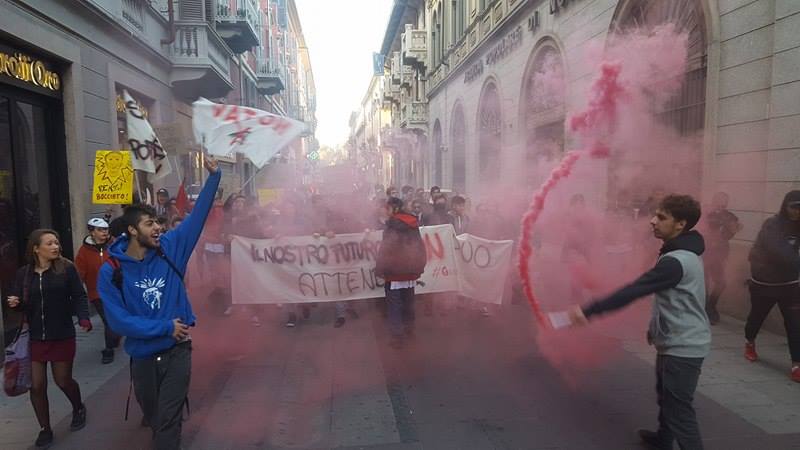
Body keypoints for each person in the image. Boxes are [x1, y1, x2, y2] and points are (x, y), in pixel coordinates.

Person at [97, 156, 220, 450]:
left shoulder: (171, 249)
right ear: (131, 230)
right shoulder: (111, 270)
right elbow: (118, 321)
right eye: (149, 223)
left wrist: (213, 178)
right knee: (154, 417)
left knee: (168, 422)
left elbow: (198, 217)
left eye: (158, 223)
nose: (157, 228)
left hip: (177, 353)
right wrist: (164, 326)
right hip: (142, 358)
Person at [568, 194, 709, 450]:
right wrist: (655, 328)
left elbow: (635, 290)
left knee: (679, 410)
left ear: (681, 224)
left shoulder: (676, 261)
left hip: (685, 346)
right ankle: (663, 439)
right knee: (666, 397)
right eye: (655, 215)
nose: (652, 221)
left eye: (661, 217)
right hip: (675, 340)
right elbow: (673, 299)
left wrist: (589, 311)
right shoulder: (680, 253)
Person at [7, 229, 92, 448]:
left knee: (63, 380)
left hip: (62, 333)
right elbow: (23, 305)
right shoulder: (24, 274)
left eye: (57, 243)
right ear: (36, 248)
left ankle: (78, 407)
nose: (55, 247)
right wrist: (16, 303)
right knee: (36, 386)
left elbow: (80, 295)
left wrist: (83, 317)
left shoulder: (67, 268)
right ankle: (45, 428)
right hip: (36, 337)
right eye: (50, 243)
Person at [743, 190, 800, 383]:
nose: (797, 211)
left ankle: (796, 364)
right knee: (757, 318)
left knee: (795, 324)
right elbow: (780, 253)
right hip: (765, 284)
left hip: (790, 286)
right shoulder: (772, 225)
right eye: (794, 207)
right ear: (785, 206)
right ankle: (749, 342)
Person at [375, 197, 427, 348]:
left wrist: (380, 268)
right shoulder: (413, 223)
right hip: (410, 270)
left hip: (394, 271)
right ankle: (409, 329)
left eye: (388, 208)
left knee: (394, 304)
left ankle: (397, 336)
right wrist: (419, 265)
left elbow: (386, 249)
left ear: (393, 208)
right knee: (408, 301)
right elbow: (419, 246)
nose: (386, 211)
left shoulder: (391, 226)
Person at [75, 217, 121, 364]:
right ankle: (108, 350)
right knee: (108, 320)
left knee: (116, 321)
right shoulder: (83, 252)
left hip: (117, 290)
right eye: (100, 230)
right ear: (91, 232)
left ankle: (115, 336)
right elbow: (79, 275)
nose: (104, 233)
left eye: (106, 229)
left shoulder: (115, 245)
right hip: (97, 293)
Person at [701, 192, 741, 324]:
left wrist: (734, 229)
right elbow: (701, 227)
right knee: (704, 283)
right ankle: (706, 309)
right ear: (714, 201)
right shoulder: (706, 212)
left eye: (724, 201)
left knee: (721, 282)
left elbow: (735, 228)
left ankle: (711, 305)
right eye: (719, 200)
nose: (722, 204)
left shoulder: (729, 216)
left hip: (719, 253)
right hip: (705, 252)